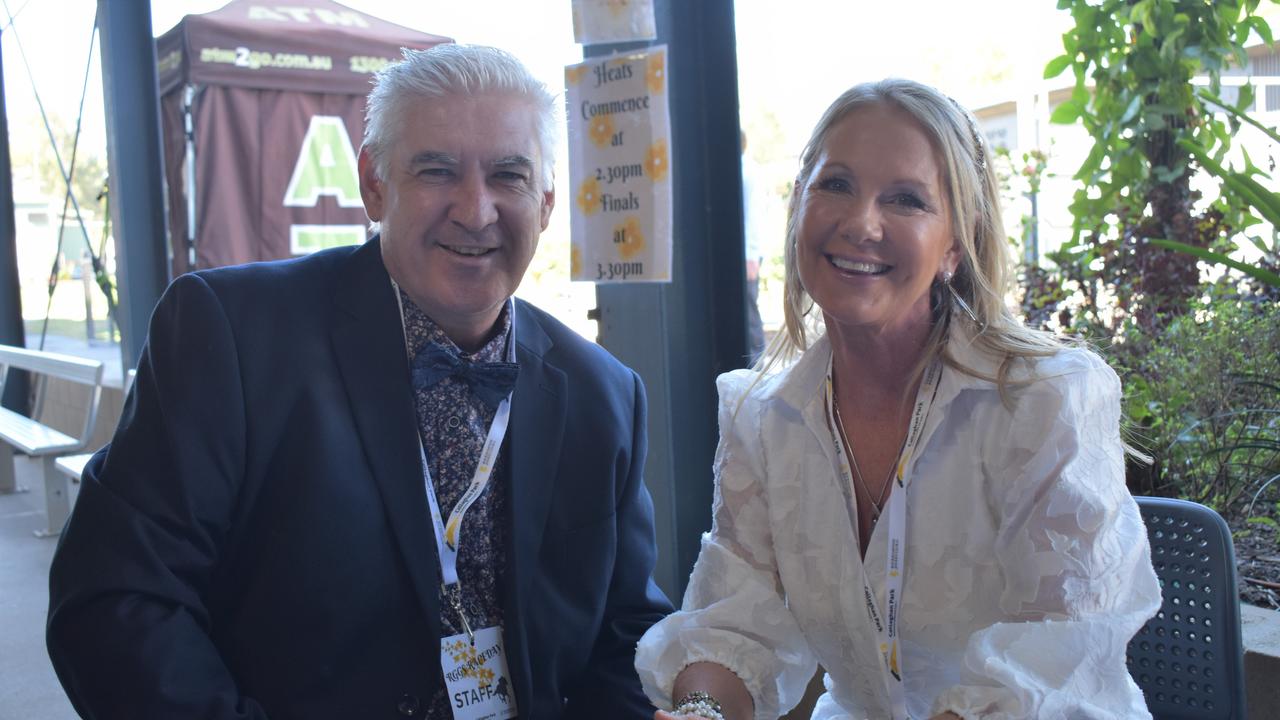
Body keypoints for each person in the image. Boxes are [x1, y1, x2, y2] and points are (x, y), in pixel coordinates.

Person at [47, 44, 672, 720]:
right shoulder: (229, 334)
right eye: (436, 170)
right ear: (375, 184)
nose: (476, 209)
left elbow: (627, 637)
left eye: (508, 176)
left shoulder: (605, 394)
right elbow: (115, 600)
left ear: (546, 201)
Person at [634, 79, 1160, 720]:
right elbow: (736, 626)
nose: (861, 223)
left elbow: (1058, 660)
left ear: (956, 243)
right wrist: (700, 712)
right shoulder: (762, 416)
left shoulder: (1044, 401)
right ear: (799, 204)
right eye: (835, 185)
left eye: (906, 200)